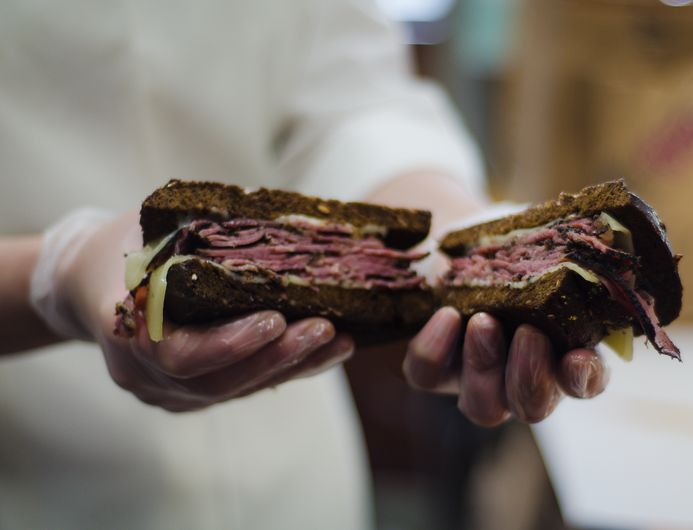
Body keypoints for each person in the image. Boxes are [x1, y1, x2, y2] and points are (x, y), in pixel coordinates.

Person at [0, 0, 607, 528]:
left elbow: (351, 98)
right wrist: (53, 275)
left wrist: (448, 226)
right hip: (42, 476)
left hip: (295, 456)